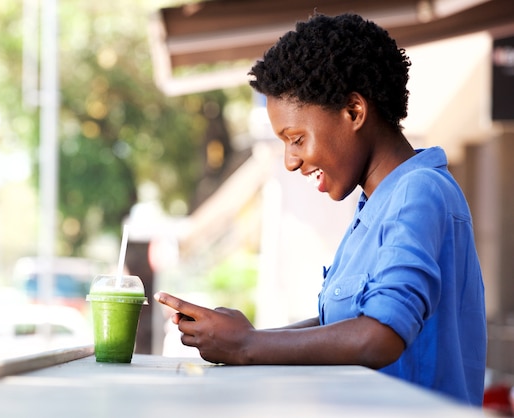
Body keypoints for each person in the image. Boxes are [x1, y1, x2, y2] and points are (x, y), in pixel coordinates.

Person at [155, 12, 486, 406]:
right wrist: (242, 337)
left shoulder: (418, 192)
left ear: (354, 112)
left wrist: (248, 345)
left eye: (296, 138)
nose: (290, 162)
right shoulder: (373, 207)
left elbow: (379, 337)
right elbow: (343, 329)